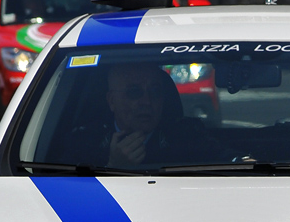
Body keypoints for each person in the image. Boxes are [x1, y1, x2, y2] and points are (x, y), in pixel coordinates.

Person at [65, 63, 222, 168]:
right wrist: (113, 167)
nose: (146, 101)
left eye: (155, 91)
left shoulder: (187, 136)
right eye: (134, 92)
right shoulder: (85, 141)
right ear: (112, 101)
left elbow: (227, 161)